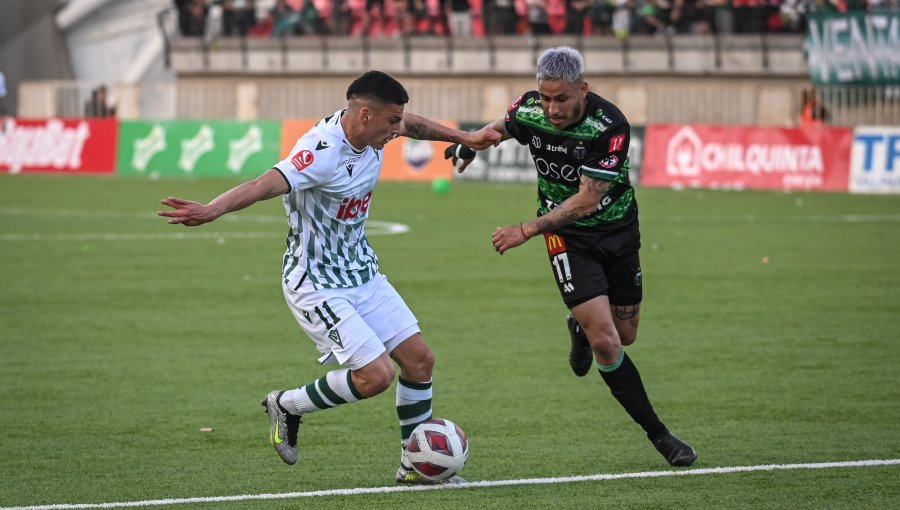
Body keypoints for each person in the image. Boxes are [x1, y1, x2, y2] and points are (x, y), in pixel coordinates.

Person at [159, 71, 501, 483]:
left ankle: (414, 467)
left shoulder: (378, 129)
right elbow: (265, 183)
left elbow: (413, 124)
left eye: (398, 121)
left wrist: (464, 138)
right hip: (315, 282)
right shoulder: (320, 152)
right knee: (375, 376)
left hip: (362, 271)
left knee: (420, 361)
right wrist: (213, 209)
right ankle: (287, 405)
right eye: (391, 122)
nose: (398, 130)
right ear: (364, 115)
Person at [444, 47, 697, 467]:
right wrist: (470, 146)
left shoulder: (610, 125)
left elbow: (586, 199)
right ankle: (661, 436)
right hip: (565, 238)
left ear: (583, 89)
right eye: (544, 98)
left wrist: (525, 229)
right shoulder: (530, 109)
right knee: (607, 342)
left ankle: (577, 328)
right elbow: (498, 129)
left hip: (617, 232)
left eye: (561, 99)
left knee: (626, 333)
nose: (551, 108)